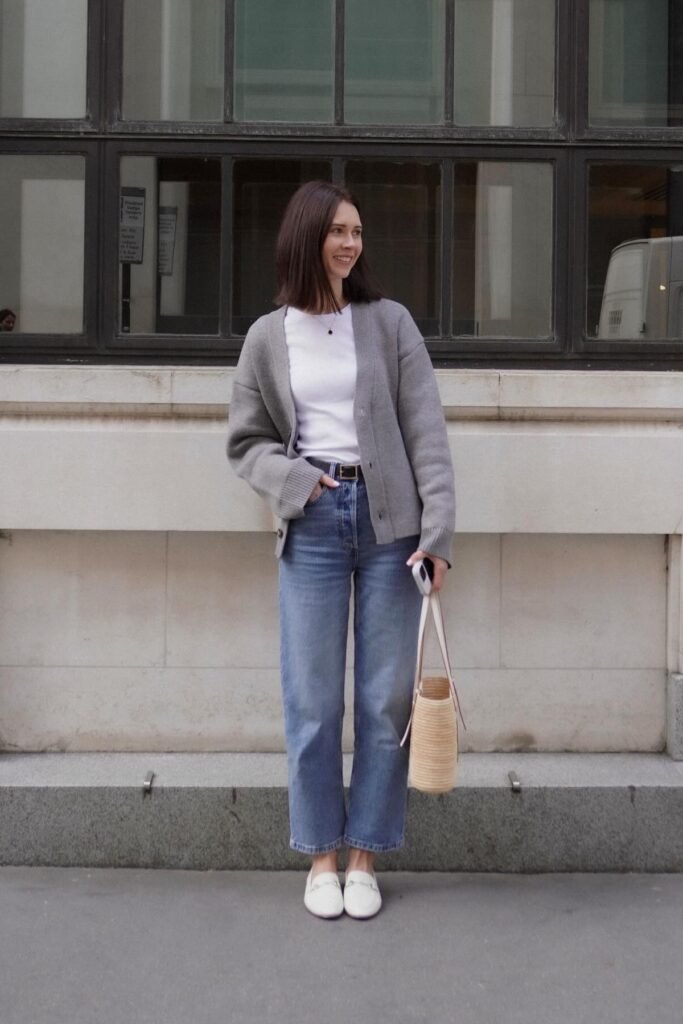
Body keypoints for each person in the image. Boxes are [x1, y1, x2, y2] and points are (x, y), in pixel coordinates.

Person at [227, 180, 455, 920]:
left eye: (357, 231)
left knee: (384, 700)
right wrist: (298, 482)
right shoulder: (268, 336)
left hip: (392, 527)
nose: (351, 243)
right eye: (337, 231)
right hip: (315, 523)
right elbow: (245, 442)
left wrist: (437, 534)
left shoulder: (388, 323)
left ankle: (366, 856)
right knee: (313, 700)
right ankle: (320, 856)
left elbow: (427, 435)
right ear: (306, 237)